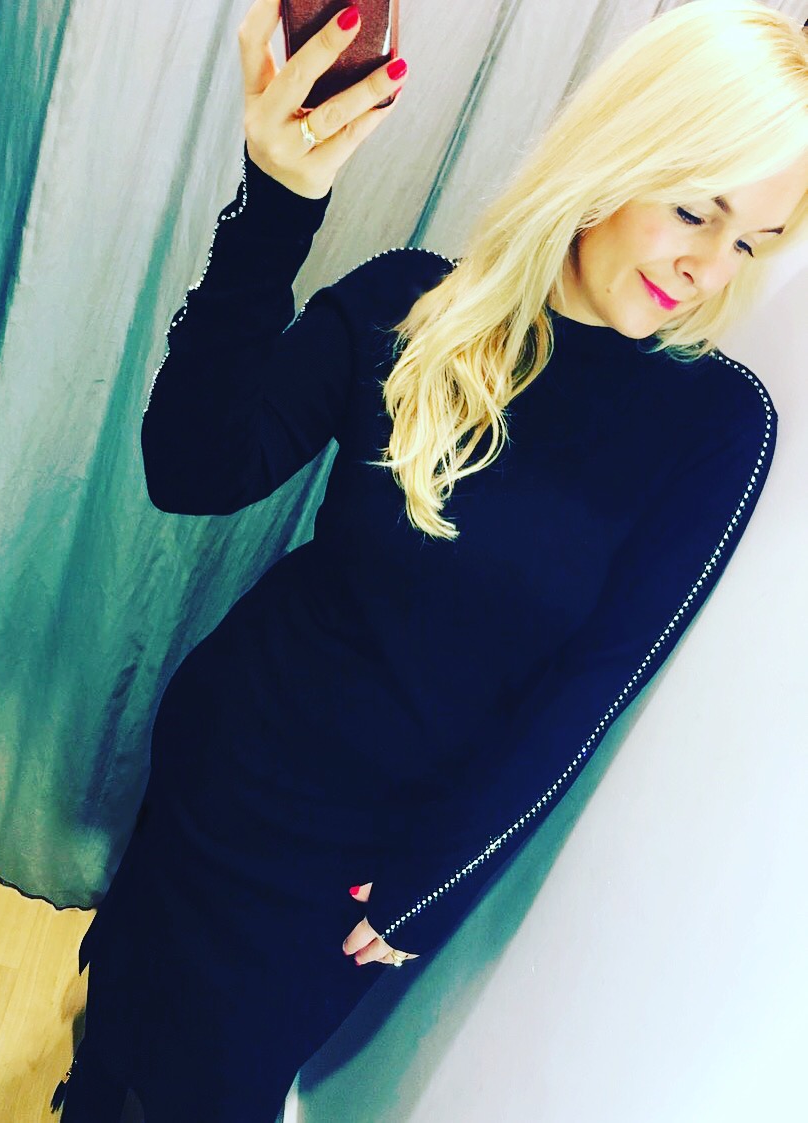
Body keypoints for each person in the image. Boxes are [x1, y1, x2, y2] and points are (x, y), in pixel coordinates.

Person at [53, 0, 808, 1118]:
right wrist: (277, 202)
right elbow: (192, 469)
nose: (708, 268)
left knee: (212, 1087)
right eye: (695, 210)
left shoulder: (715, 426)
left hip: (349, 865)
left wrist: (430, 887)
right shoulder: (410, 302)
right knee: (120, 1001)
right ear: (617, 158)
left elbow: (591, 690)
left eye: (750, 241)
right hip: (227, 752)